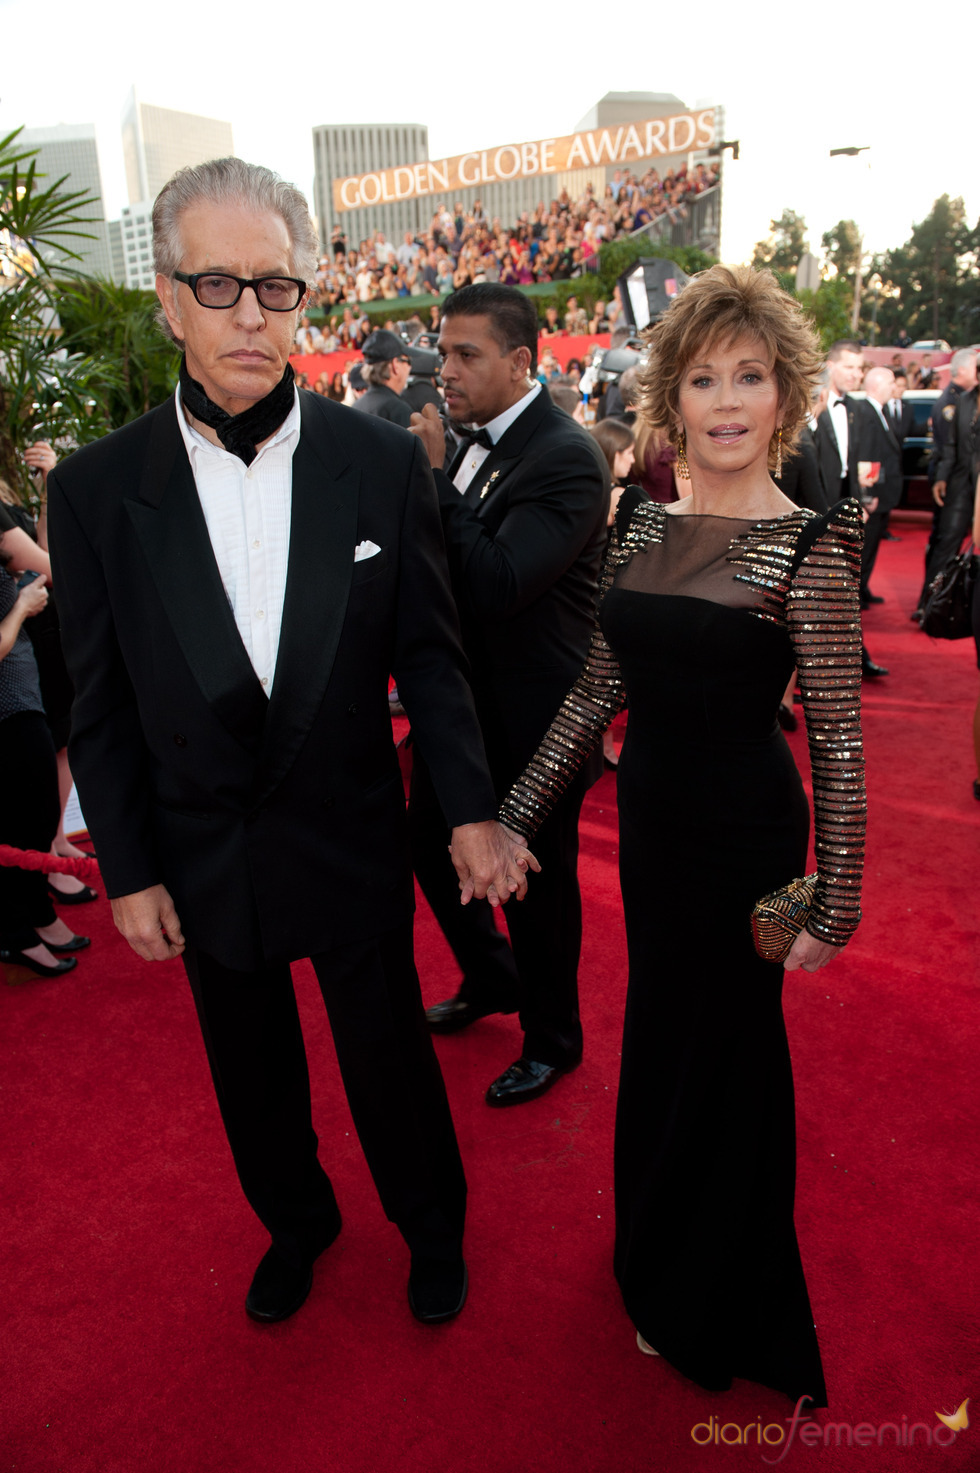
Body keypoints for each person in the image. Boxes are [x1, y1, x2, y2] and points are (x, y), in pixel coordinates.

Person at [47, 157, 533, 1332]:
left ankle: (430, 1227)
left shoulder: (373, 462)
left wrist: (469, 805)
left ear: (306, 296)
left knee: (389, 1060)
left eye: (277, 285)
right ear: (167, 297)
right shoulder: (98, 487)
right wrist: (132, 866)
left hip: (348, 822)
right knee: (249, 1071)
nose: (252, 313)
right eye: (219, 285)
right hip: (202, 841)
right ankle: (298, 1224)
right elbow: (98, 701)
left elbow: (430, 651)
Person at [498, 265, 866, 1406]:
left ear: (781, 396)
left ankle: (720, 1293)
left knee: (727, 1056)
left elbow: (841, 745)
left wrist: (834, 900)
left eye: (746, 376)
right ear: (671, 396)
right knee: (660, 1044)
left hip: (745, 837)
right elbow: (592, 691)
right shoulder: (640, 525)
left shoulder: (807, 545)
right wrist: (514, 818)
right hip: (652, 824)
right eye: (700, 376)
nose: (723, 399)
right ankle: (657, 1258)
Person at [407, 283, 609, 1106]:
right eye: (441, 351)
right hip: (462, 709)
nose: (443, 371)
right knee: (428, 846)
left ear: (521, 361)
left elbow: (496, 582)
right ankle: (494, 978)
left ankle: (555, 1038)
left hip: (538, 719)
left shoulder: (566, 454)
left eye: (465, 355)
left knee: (536, 887)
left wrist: (433, 484)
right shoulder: (468, 439)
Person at [916, 349, 979, 618]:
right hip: (960, 483)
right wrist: (941, 478)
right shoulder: (963, 401)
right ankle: (928, 604)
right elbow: (950, 445)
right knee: (947, 543)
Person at [854, 366, 903, 606]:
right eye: (890, 382)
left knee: (872, 545)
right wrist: (868, 494)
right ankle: (857, 590)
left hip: (884, 492)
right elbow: (867, 455)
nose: (894, 387)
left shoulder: (882, 412)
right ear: (875, 385)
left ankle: (864, 587)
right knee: (866, 544)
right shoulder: (866, 411)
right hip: (874, 493)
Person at [352, 329, 413, 427]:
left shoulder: (356, 406)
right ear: (395, 365)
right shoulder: (398, 410)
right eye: (408, 361)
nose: (410, 367)